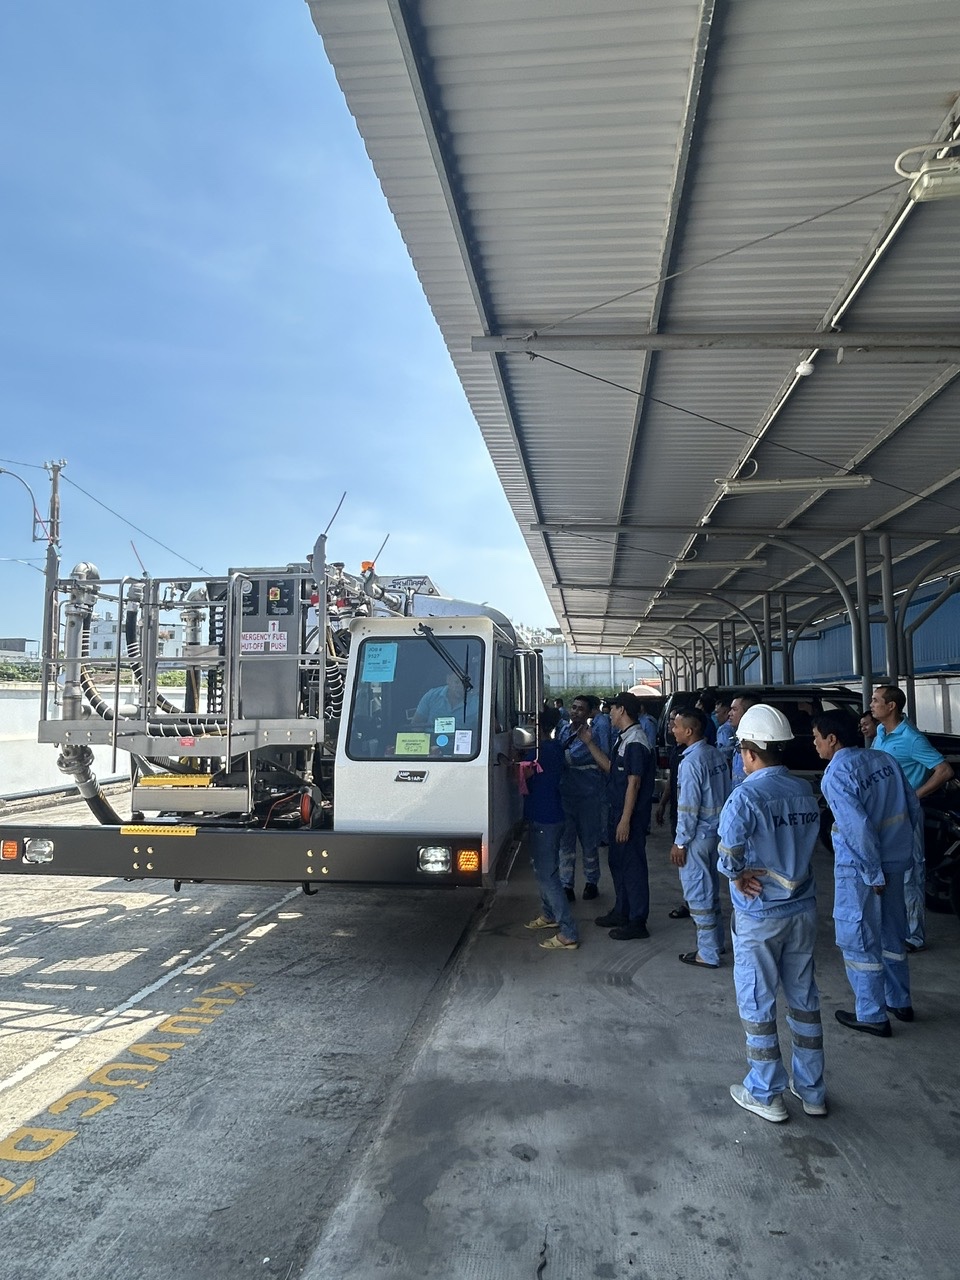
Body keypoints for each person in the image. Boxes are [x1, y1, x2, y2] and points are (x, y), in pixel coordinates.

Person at [717, 704, 827, 1123]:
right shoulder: (802, 790)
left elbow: (727, 857)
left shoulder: (745, 795)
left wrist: (738, 875)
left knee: (759, 1000)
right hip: (802, 911)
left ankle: (765, 1092)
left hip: (760, 915)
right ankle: (812, 1090)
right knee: (804, 1001)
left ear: (749, 752)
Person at [813, 710, 921, 1034]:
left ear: (832, 740)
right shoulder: (885, 760)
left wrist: (873, 873)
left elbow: (857, 828)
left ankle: (872, 1015)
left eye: (817, 738)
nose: (814, 745)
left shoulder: (836, 773)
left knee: (859, 939)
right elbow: (913, 807)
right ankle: (899, 1001)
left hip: (861, 870)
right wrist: (900, 853)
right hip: (896, 860)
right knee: (892, 934)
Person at [869, 684, 955, 951]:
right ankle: (892, 927)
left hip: (905, 815)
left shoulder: (912, 739)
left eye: (875, 700)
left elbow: (944, 771)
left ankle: (913, 936)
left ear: (891, 706)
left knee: (910, 873)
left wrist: (913, 796)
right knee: (885, 870)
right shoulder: (881, 732)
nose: (871, 704)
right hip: (883, 813)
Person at [577, 692, 655, 940]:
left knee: (632, 867)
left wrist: (624, 820)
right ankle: (623, 910)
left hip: (629, 817)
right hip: (617, 812)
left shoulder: (635, 741)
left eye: (611, 708)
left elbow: (634, 783)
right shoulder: (623, 739)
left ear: (622, 710)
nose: (608, 712)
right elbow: (613, 770)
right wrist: (590, 743)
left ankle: (637, 921)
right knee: (618, 863)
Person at [669, 709, 731, 968]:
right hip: (716, 834)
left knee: (698, 895)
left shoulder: (691, 762)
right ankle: (715, 943)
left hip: (696, 837)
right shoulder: (715, 753)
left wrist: (680, 841)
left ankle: (707, 953)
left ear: (689, 731)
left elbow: (688, 807)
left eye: (676, 726)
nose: (673, 730)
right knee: (711, 892)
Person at [522, 707, 580, 951]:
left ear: (537, 726)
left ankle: (568, 932)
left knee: (548, 876)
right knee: (544, 869)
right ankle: (549, 915)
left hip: (545, 819)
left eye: (530, 722)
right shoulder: (555, 747)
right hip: (551, 816)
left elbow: (519, 772)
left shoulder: (538, 752)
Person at [557, 695, 611, 901]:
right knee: (566, 844)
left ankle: (591, 882)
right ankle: (566, 884)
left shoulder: (592, 735)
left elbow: (570, 757)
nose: (575, 711)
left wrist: (554, 755)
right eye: (573, 707)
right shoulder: (563, 731)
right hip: (566, 796)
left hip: (588, 797)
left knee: (589, 843)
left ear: (589, 714)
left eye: (581, 709)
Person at [728, 692, 760, 787]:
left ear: (748, 713)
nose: (730, 714)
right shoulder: (740, 738)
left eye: (734, 710)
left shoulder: (757, 742)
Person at [715, 696, 736, 766]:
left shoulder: (724, 729)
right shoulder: (736, 726)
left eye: (717, 712)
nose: (715, 716)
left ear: (726, 712)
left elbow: (726, 754)